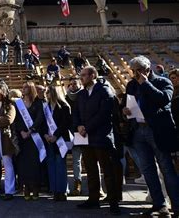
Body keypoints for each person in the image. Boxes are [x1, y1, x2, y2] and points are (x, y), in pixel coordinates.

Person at [122, 56, 179, 216]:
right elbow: (126, 103)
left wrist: (145, 83)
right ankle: (159, 204)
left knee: (167, 169)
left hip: (157, 131)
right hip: (138, 130)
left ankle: (177, 205)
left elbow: (163, 100)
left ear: (147, 69)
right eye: (133, 71)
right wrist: (124, 110)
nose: (134, 74)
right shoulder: (131, 84)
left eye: (137, 71)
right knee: (148, 170)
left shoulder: (163, 81)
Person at [73, 66, 122, 215]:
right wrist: (78, 126)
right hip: (85, 138)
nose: (81, 78)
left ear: (92, 75)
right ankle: (93, 199)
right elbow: (74, 113)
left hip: (101, 137)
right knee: (91, 170)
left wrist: (86, 127)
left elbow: (104, 114)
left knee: (108, 170)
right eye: (80, 75)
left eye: (83, 75)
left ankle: (113, 202)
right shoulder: (81, 94)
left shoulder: (104, 90)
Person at [15, 81, 45, 201]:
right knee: (24, 164)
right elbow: (17, 119)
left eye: (26, 87)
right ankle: (26, 188)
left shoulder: (38, 103)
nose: (24, 89)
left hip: (35, 137)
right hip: (23, 138)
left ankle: (35, 188)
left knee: (34, 164)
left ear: (31, 89)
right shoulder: (19, 104)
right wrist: (22, 131)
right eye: (23, 87)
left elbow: (40, 118)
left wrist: (31, 130)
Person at [44, 85, 72, 201]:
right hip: (49, 140)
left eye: (48, 92)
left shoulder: (64, 107)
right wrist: (45, 135)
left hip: (60, 140)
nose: (46, 94)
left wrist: (56, 136)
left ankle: (63, 190)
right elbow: (43, 123)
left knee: (60, 165)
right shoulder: (46, 107)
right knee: (51, 165)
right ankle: (55, 190)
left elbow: (65, 124)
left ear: (54, 93)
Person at [65, 77, 83, 196]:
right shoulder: (65, 98)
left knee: (78, 159)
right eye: (70, 84)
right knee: (69, 160)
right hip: (68, 132)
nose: (72, 86)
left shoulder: (83, 96)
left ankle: (78, 182)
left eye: (75, 84)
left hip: (81, 131)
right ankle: (66, 185)